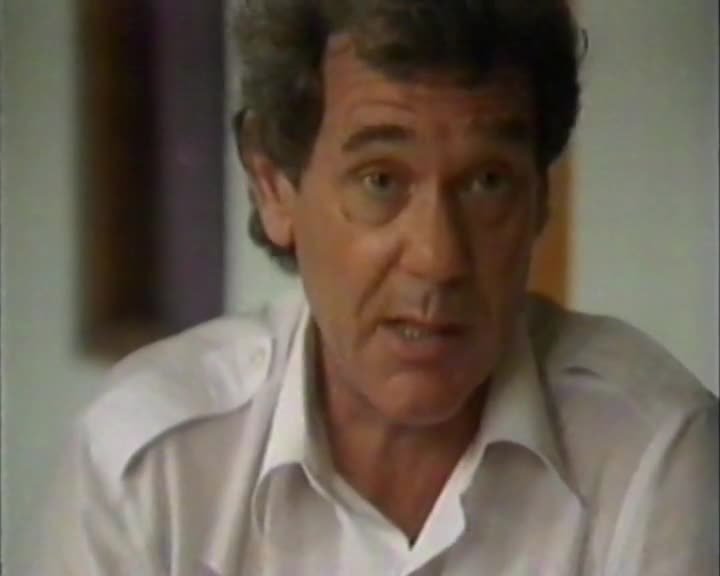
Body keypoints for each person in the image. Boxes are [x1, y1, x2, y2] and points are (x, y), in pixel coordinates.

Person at [36, 1, 717, 574]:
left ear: (540, 199)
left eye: (487, 182)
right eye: (381, 180)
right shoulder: (149, 467)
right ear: (273, 187)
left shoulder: (650, 456)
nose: (439, 259)